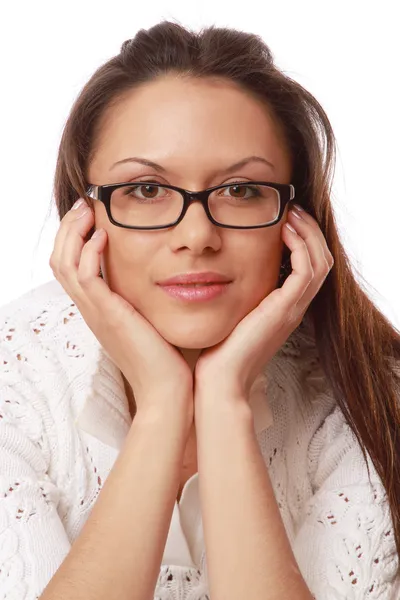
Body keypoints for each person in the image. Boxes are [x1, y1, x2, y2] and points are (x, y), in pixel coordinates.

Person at [1, 19, 400, 600]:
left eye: (241, 190)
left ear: (297, 221)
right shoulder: (15, 378)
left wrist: (225, 401)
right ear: (83, 218)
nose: (197, 235)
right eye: (144, 189)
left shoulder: (372, 398)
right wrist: (163, 401)